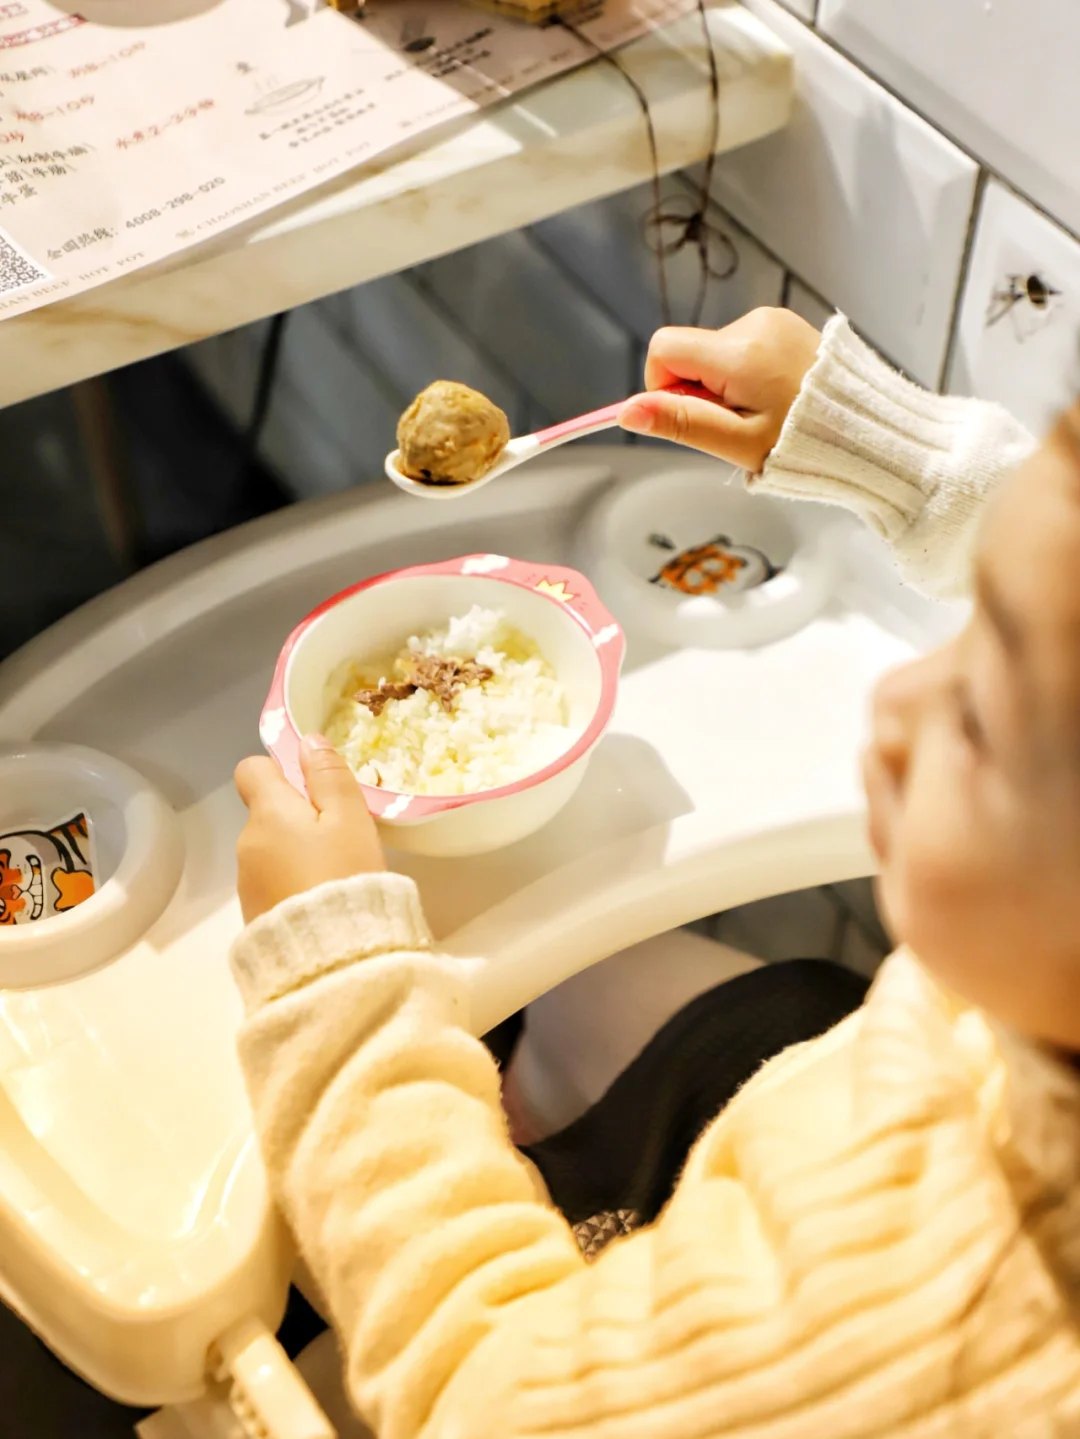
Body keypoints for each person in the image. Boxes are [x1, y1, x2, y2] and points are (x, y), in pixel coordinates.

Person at [230, 308, 1080, 1438]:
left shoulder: (928, 1312)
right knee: (743, 998)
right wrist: (900, 455)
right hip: (824, 1105)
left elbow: (475, 1390)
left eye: (975, 715)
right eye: (967, 634)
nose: (896, 701)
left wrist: (335, 982)